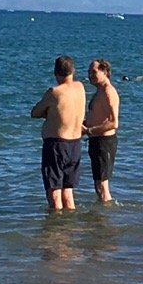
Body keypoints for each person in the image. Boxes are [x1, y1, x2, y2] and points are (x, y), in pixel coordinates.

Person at [31, 56, 86, 211]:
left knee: (54, 191)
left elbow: (35, 112)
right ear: (72, 71)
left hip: (57, 144)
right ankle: (70, 226)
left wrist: (49, 113)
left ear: (56, 73)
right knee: (68, 191)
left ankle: (57, 230)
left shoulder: (55, 92)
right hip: (75, 144)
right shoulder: (80, 87)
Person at [83, 58, 119, 204]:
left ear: (105, 72)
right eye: (89, 72)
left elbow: (114, 123)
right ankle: (101, 218)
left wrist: (89, 130)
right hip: (96, 141)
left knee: (103, 186)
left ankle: (106, 218)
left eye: (94, 72)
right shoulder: (99, 91)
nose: (90, 75)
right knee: (98, 185)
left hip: (104, 142)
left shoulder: (108, 91)